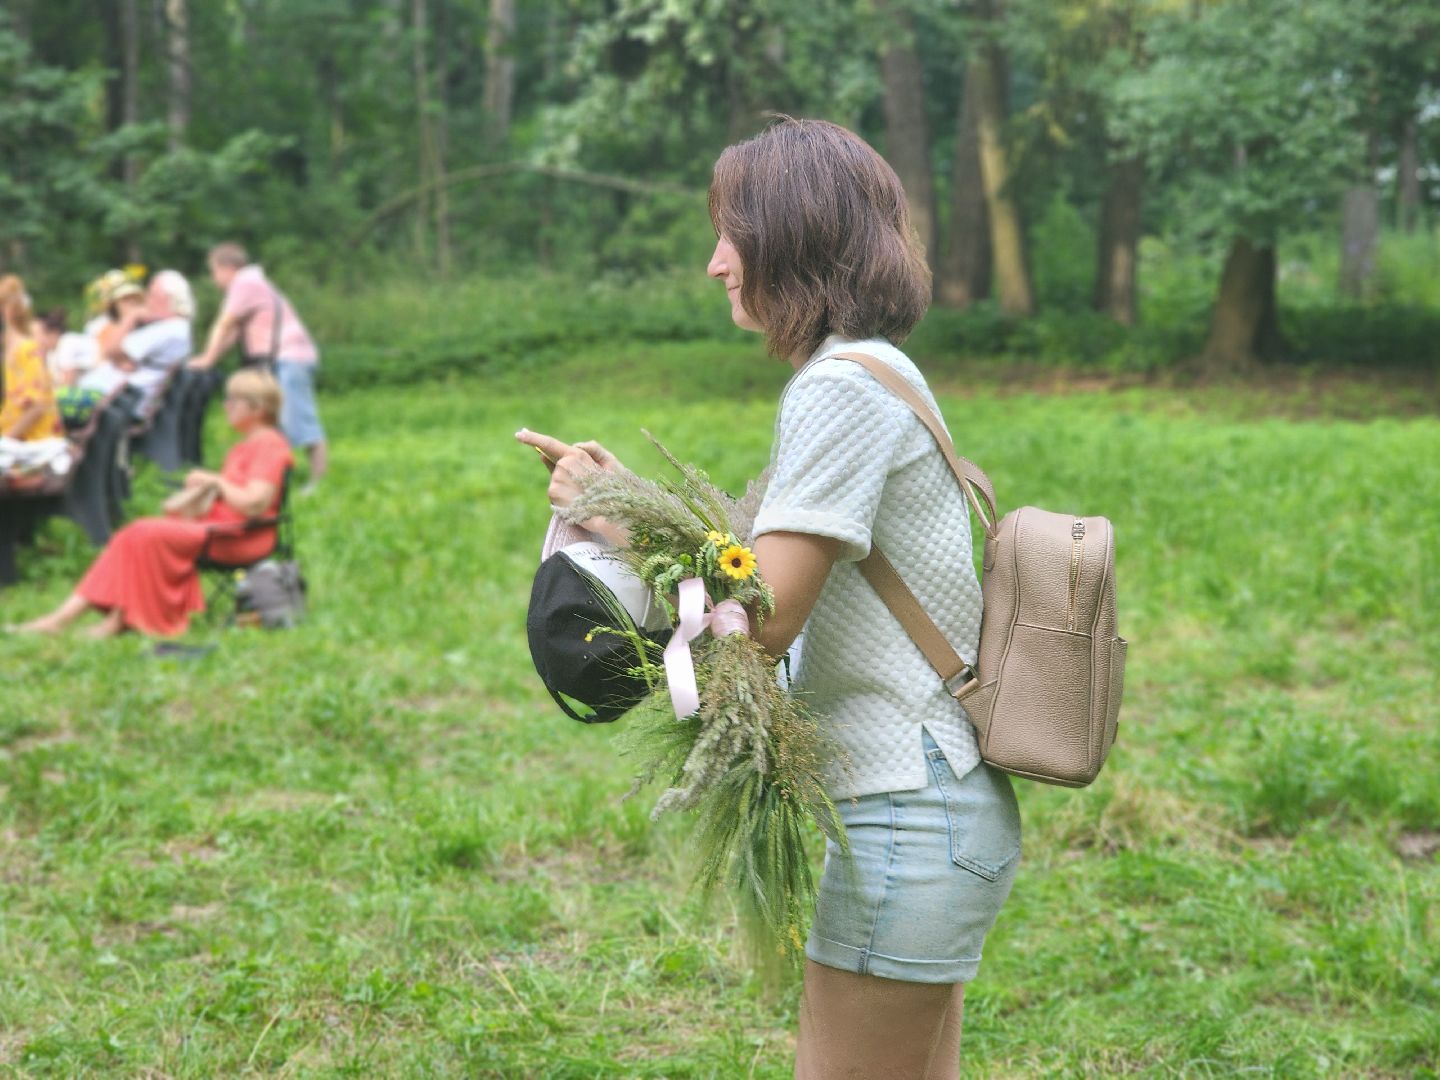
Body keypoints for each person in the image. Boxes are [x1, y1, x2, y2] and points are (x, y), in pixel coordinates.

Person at [517, 118, 1020, 1079]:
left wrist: (613, 523)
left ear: (792, 238)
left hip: (906, 814)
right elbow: (770, 564)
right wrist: (634, 503)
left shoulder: (839, 389)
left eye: (730, 236)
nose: (715, 263)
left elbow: (761, 619)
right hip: (927, 808)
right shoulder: (876, 369)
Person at [12, 369, 293, 638]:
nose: (226, 405)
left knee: (142, 533)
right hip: (218, 530)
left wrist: (215, 482)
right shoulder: (249, 444)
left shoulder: (268, 445)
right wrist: (207, 487)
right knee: (131, 535)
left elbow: (255, 504)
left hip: (238, 537)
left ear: (257, 408)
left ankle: (107, 621)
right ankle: (73, 620)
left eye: (233, 400)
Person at [190, 243, 328, 489]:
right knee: (276, 420)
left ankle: (318, 481)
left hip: (290, 358)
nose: (213, 278)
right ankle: (276, 476)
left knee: (298, 418)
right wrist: (211, 357)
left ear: (227, 268)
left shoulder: (245, 284)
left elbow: (224, 324)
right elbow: (233, 334)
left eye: (214, 271)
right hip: (282, 359)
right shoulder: (252, 283)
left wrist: (207, 359)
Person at [117, 270, 194, 416]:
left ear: (167, 298)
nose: (147, 301)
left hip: (131, 400)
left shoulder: (167, 329)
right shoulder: (181, 327)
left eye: (152, 295)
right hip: (140, 397)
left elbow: (114, 350)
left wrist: (130, 317)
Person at [1, 282, 64, 442]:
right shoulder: (12, 353)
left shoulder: (27, 350)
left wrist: (6, 439)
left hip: (34, 443)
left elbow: (38, 406)